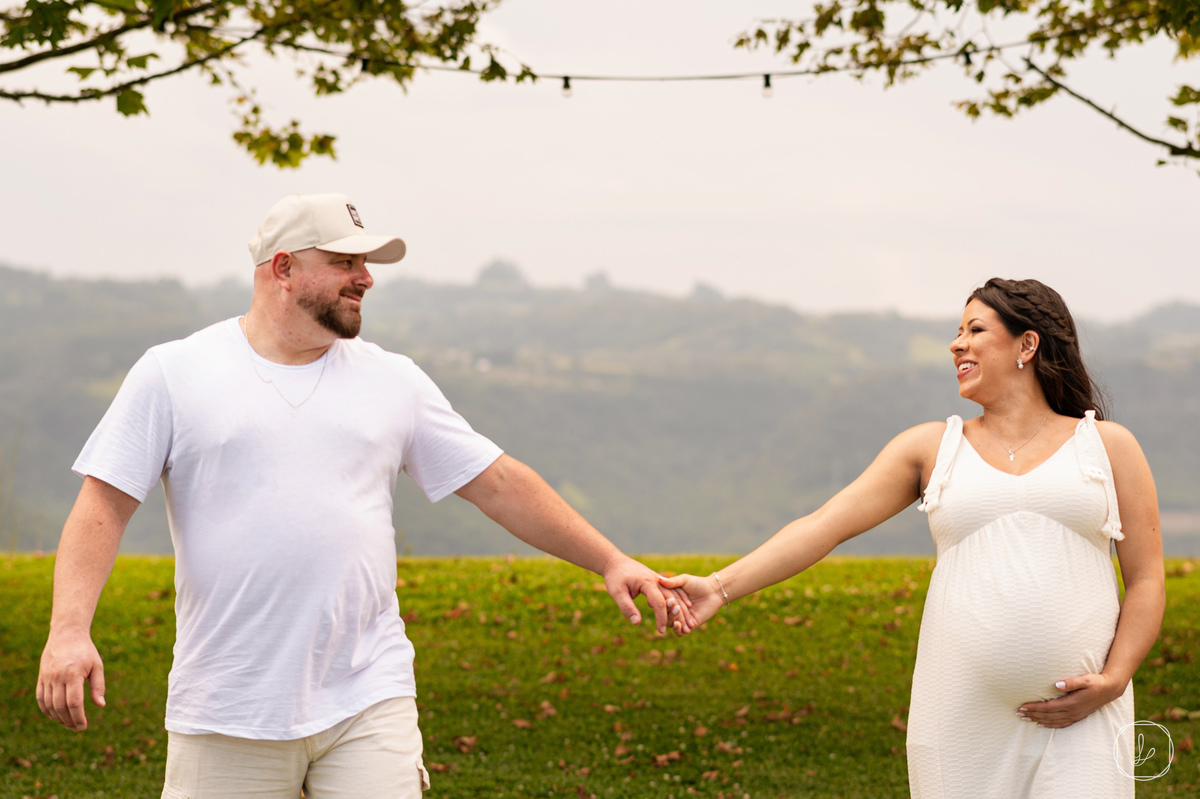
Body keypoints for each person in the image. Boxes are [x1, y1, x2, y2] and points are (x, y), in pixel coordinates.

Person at [35, 193, 691, 798]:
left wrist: (611, 559)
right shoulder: (174, 373)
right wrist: (68, 631)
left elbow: (496, 482)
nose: (366, 277)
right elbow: (103, 505)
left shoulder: (392, 380)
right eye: (345, 260)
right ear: (284, 268)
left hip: (367, 697)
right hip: (227, 703)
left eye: (366, 262)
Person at [661, 278, 1164, 798]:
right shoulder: (932, 447)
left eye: (975, 329)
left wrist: (1115, 679)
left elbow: (1146, 579)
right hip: (958, 724)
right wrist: (718, 587)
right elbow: (824, 525)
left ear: (1027, 345)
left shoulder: (1106, 446)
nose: (956, 344)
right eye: (957, 331)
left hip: (1081, 723)